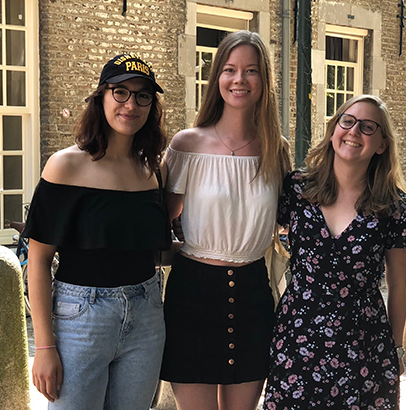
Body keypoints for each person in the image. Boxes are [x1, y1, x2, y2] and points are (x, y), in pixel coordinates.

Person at [23, 53, 171, 409]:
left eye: (142, 96)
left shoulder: (152, 170)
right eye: (120, 92)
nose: (131, 104)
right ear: (101, 97)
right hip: (81, 319)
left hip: (147, 315)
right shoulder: (65, 166)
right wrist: (43, 346)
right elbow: (38, 261)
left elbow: (154, 246)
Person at [263, 95, 406, 409]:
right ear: (333, 129)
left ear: (382, 144)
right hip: (297, 339)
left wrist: (397, 349)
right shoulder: (297, 189)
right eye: (347, 121)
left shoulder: (393, 205)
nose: (354, 131)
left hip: (364, 346)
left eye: (367, 127)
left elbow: (398, 285)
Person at [159, 30, 291, 410]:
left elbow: (292, 219)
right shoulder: (187, 145)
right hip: (192, 294)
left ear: (264, 81)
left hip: (253, 292)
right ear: (217, 76)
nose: (239, 79)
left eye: (251, 70)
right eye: (230, 69)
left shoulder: (276, 150)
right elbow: (157, 221)